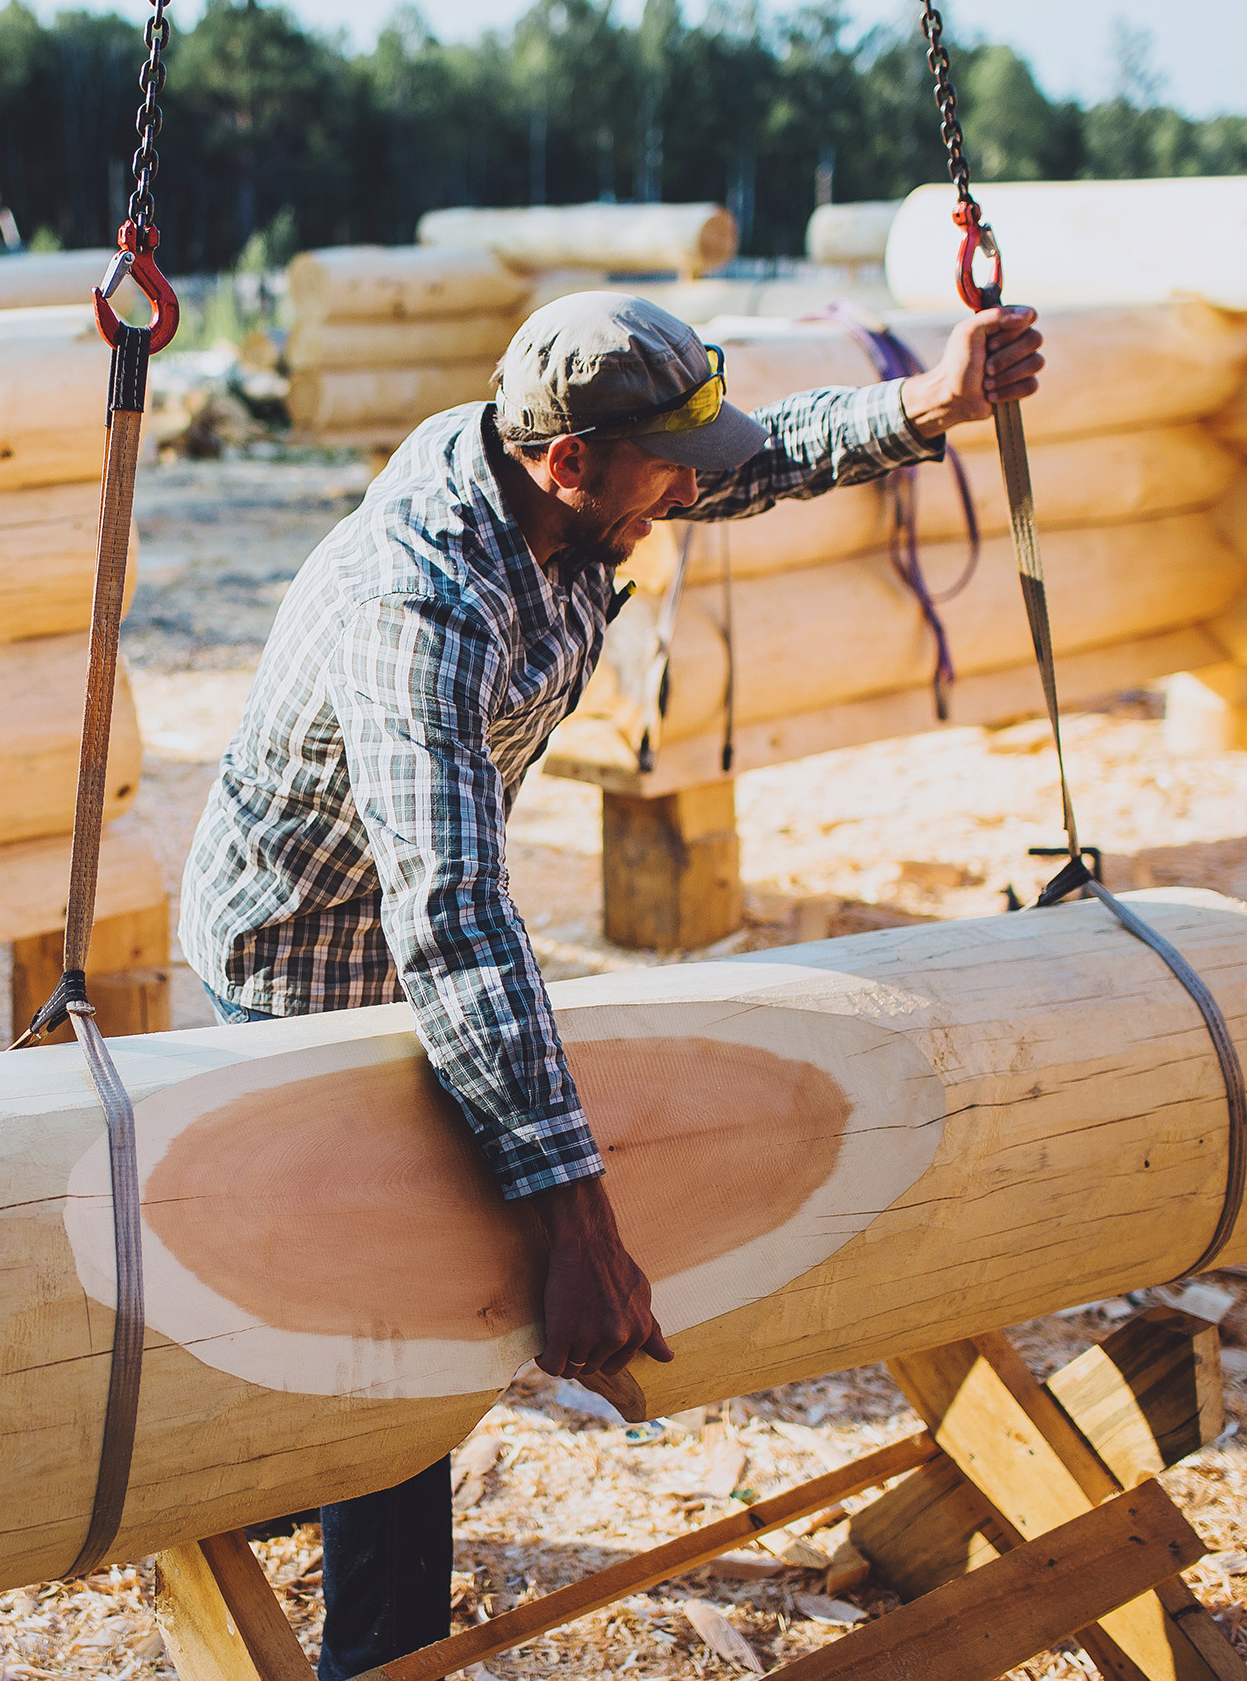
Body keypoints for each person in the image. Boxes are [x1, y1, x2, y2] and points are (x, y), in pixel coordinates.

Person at [177, 290, 1043, 1680]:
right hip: (309, 957)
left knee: (376, 1297)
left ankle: (293, 1464)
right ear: (570, 460)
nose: (691, 490)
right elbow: (452, 915)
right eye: (665, 469)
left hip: (407, 913)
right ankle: (374, 1654)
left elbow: (740, 463)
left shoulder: (563, 477)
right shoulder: (422, 604)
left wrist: (927, 404)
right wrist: (574, 1213)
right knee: (401, 1320)